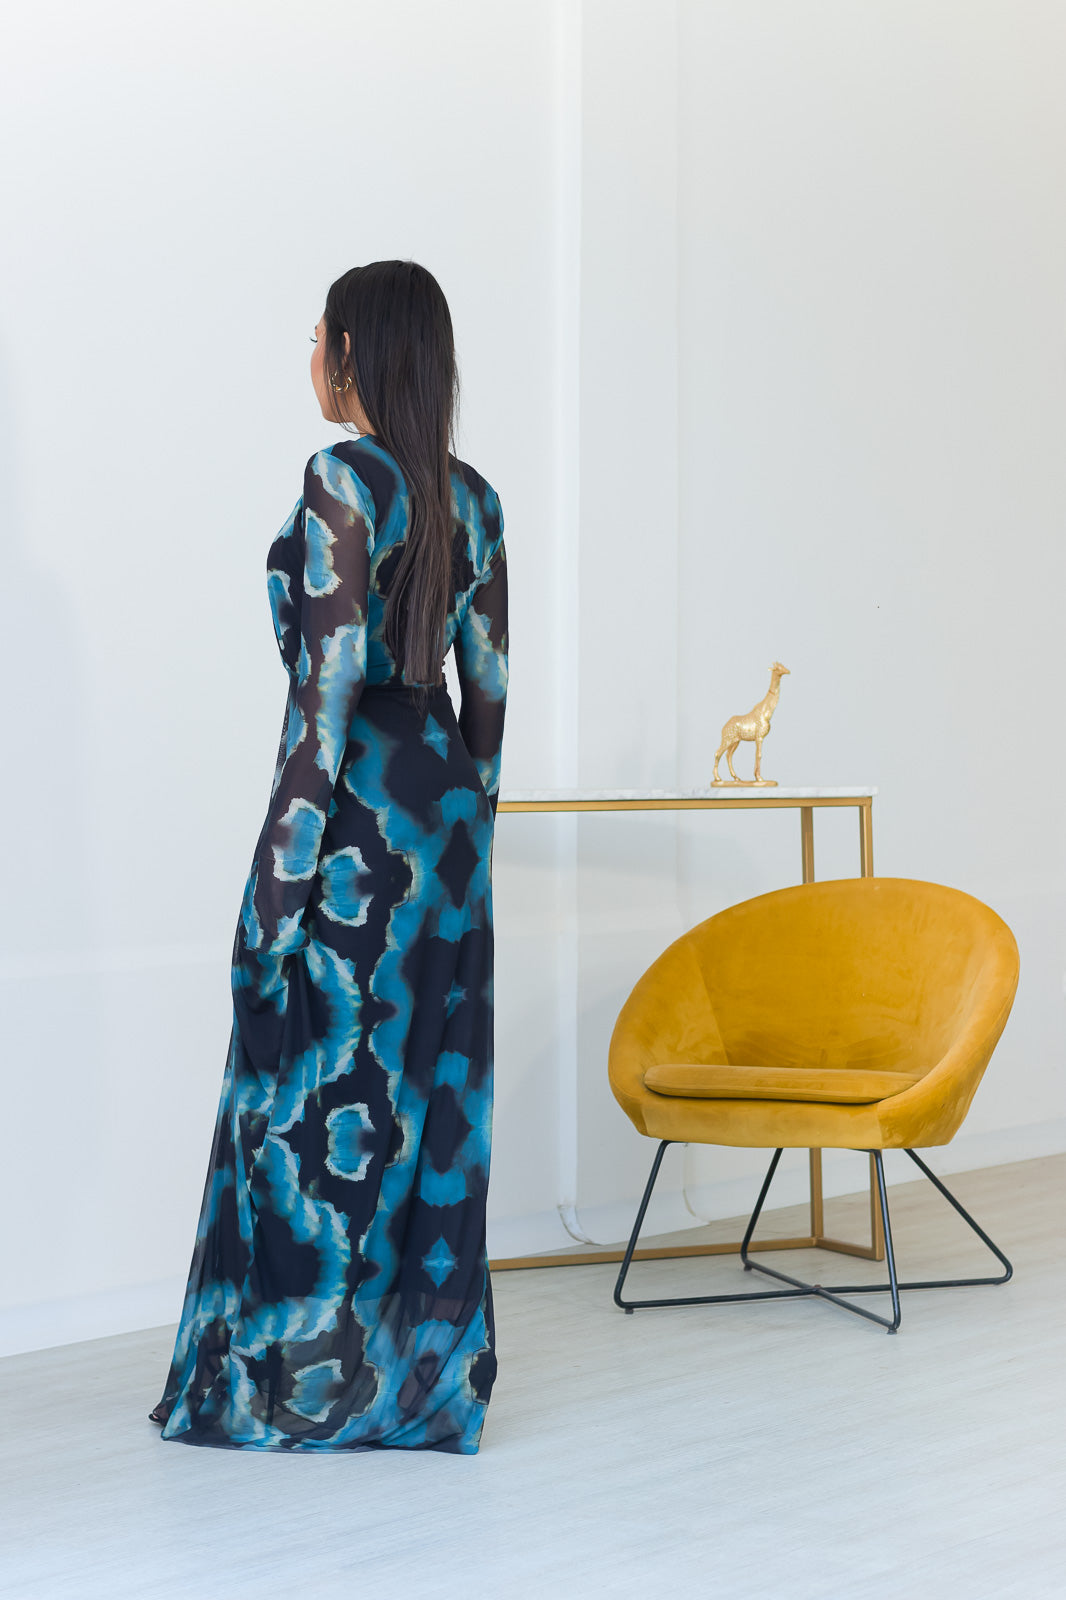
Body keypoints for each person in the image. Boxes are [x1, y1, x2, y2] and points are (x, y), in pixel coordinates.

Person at [148, 260, 508, 1453]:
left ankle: (299, 1382)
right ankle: (414, 1380)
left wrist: (276, 887)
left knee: (305, 1092)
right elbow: (489, 698)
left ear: (353, 353)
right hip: (442, 823)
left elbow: (328, 692)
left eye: (318, 336)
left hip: (354, 818)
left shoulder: (341, 477)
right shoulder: (474, 497)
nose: (309, 355)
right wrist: (465, 855)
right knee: (420, 1103)